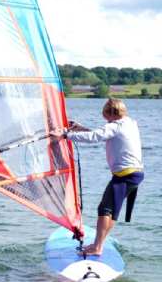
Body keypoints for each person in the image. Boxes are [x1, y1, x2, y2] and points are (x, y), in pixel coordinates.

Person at [51, 98, 144, 256]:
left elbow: (96, 137)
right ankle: (99, 243)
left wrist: (66, 135)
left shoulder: (115, 126)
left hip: (125, 175)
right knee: (112, 211)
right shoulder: (129, 123)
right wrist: (80, 129)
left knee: (104, 209)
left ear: (111, 113)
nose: (105, 119)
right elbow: (101, 135)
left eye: (106, 116)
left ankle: (97, 247)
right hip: (133, 174)